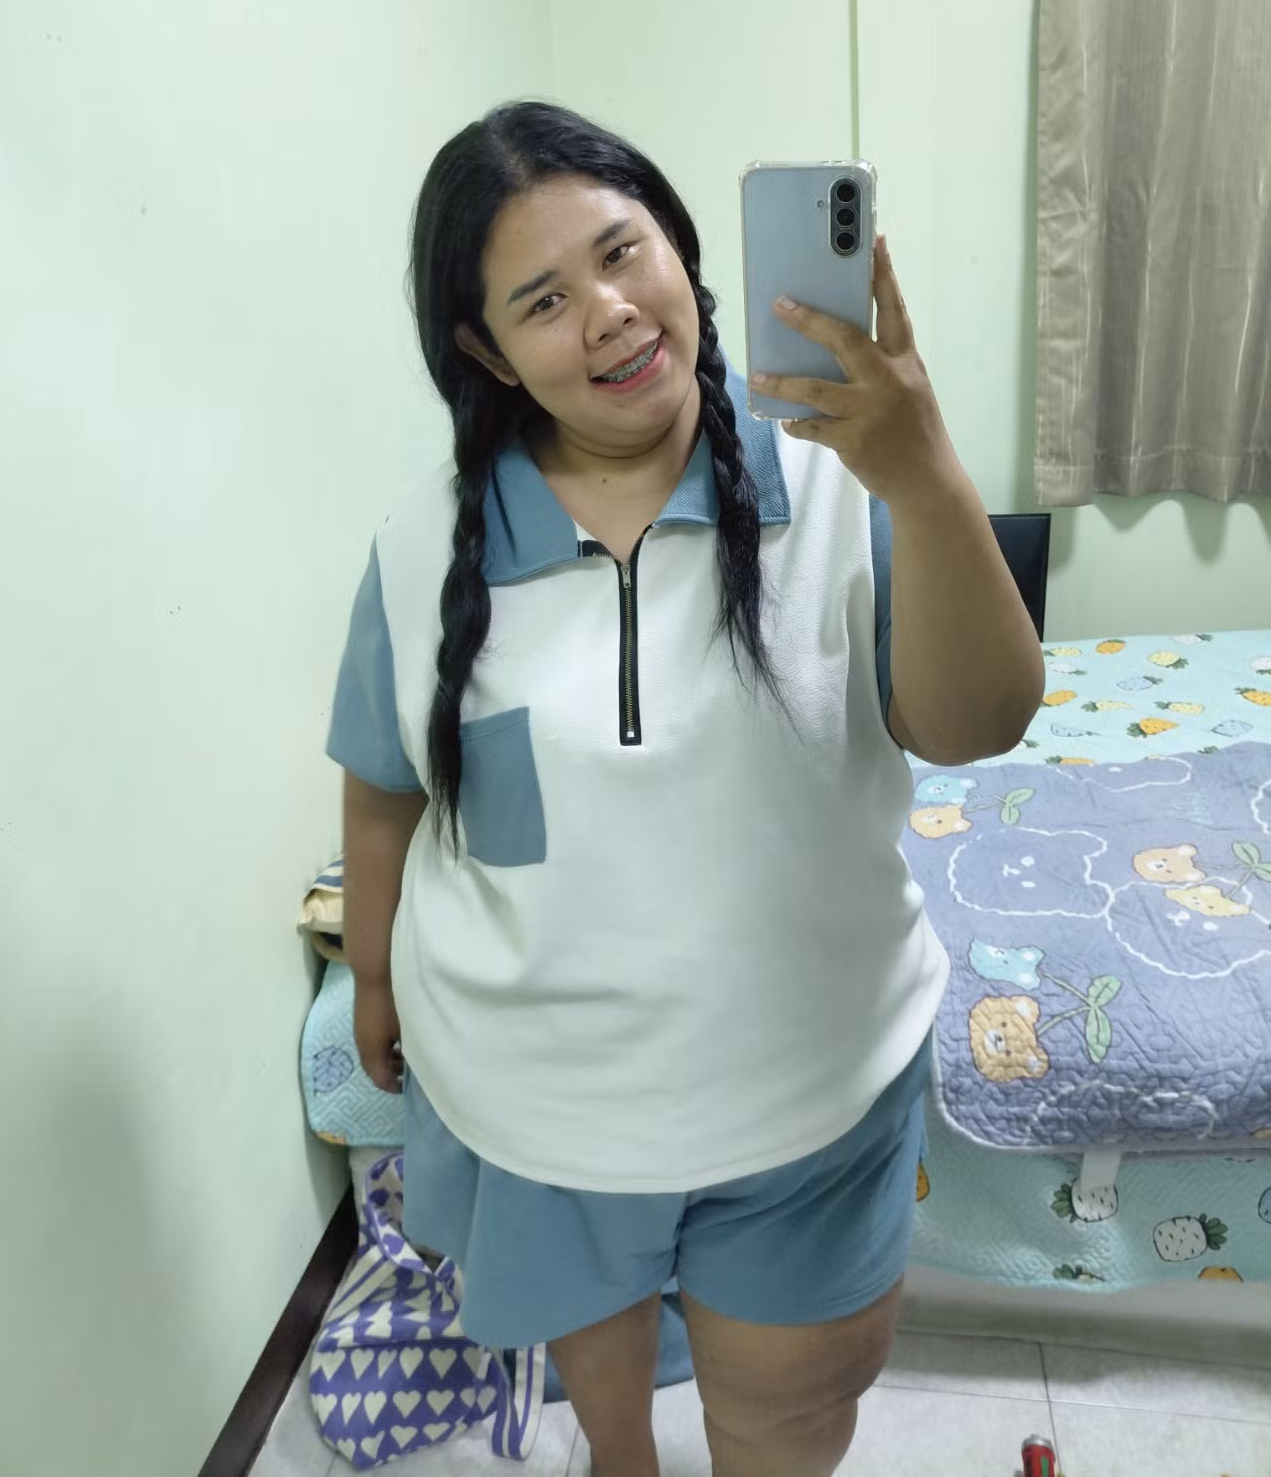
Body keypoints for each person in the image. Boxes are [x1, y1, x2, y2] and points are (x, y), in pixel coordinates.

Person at [327, 101, 1044, 1477]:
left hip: (806, 1095)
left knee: (782, 1422)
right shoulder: (423, 544)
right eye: (543, 300)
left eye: (621, 252)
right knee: (606, 1403)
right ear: (485, 351)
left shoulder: (838, 480)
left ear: (679, 248)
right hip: (536, 1103)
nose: (606, 313)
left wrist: (925, 478)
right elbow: (383, 785)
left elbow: (980, 722)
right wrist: (370, 974)